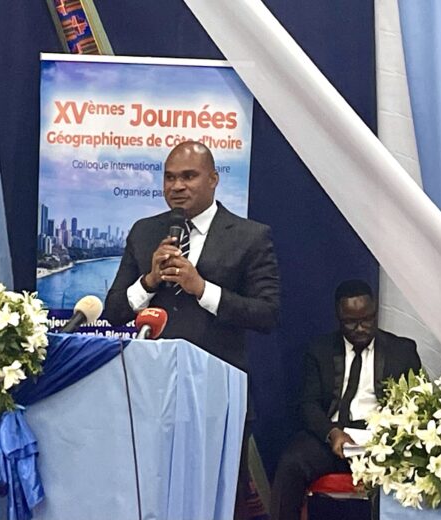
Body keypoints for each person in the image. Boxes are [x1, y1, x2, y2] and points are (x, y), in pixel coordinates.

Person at [104, 141, 280, 518]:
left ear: (213, 179)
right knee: (151, 495)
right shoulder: (144, 232)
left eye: (188, 176)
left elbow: (266, 314)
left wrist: (202, 289)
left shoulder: (249, 236)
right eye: (169, 178)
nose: (177, 186)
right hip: (152, 395)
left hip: (217, 396)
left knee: (219, 501)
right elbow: (114, 312)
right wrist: (149, 281)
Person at [270, 279, 422, 520]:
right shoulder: (319, 350)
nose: (360, 328)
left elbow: (415, 404)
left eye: (367, 319)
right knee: (292, 463)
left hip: (382, 441)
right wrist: (332, 433)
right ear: (338, 318)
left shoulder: (402, 351)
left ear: (375, 312)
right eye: (351, 322)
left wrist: (389, 436)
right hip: (333, 436)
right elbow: (308, 404)